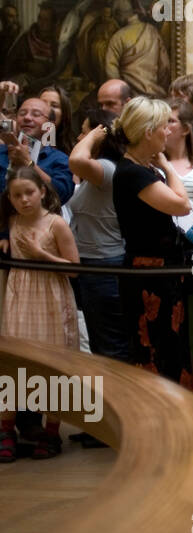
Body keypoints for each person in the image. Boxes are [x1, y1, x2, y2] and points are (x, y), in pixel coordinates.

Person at [110, 97, 193, 384]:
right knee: (154, 349)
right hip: (149, 275)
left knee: (169, 347)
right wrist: (169, 168)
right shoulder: (132, 172)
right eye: (163, 126)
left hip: (161, 272)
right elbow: (182, 205)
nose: (168, 131)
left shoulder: (142, 168)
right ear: (148, 132)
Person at [0, 166, 80, 461]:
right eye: (16, 195)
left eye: (29, 193)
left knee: (53, 364)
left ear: (42, 192)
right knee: (14, 364)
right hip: (19, 297)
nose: (23, 200)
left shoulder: (56, 223)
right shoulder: (10, 221)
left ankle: (52, 431)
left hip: (51, 297)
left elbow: (74, 269)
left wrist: (41, 254)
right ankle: (6, 429)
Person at [66, 111, 129, 363]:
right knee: (101, 344)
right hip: (94, 265)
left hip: (104, 267)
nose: (80, 137)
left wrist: (94, 135)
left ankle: (120, 401)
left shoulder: (105, 168)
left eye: (84, 131)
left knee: (110, 348)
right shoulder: (96, 173)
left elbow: (76, 161)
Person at [37, 86, 74, 154]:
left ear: (63, 114)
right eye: (43, 103)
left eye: (54, 106)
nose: (47, 108)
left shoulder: (72, 152)